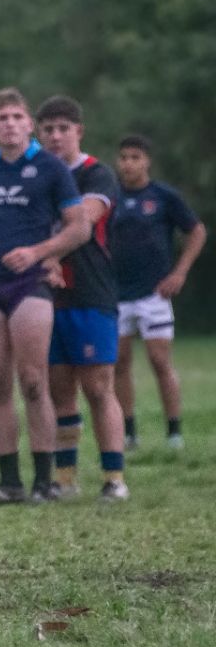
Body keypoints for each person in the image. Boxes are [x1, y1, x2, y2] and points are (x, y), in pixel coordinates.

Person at [0, 87, 89, 503]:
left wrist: (38, 252)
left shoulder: (50, 169)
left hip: (30, 284)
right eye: (1, 119)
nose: (10, 125)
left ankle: (44, 482)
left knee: (32, 380)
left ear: (29, 124)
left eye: (17, 117)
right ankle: (9, 482)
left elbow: (78, 228)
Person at [34, 96, 128, 501]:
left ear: (79, 132)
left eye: (63, 129)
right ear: (39, 134)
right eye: (48, 129)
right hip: (47, 297)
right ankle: (66, 479)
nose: (55, 137)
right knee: (59, 389)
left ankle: (114, 479)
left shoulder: (96, 174)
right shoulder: (35, 176)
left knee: (98, 387)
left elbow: (84, 221)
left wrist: (48, 254)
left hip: (91, 294)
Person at [111, 134, 207, 451]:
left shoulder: (163, 196)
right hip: (116, 294)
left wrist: (179, 272)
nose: (128, 163)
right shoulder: (108, 197)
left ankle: (174, 433)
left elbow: (196, 231)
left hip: (155, 295)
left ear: (147, 161)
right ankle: (128, 432)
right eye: (124, 157)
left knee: (159, 361)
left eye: (135, 157)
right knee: (119, 363)